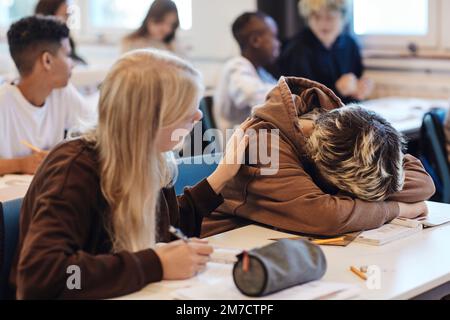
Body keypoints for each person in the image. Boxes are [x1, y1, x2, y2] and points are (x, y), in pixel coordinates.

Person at [9, 49, 249, 300]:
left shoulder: (152, 157)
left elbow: (164, 232)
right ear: (150, 119)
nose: (198, 115)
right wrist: (155, 264)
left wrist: (222, 176)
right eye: (185, 107)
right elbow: (43, 279)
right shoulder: (75, 168)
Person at [209, 76, 435, 237]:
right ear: (321, 166)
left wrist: (356, 204)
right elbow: (324, 215)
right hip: (226, 246)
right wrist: (398, 209)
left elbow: (423, 183)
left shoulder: (346, 127)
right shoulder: (263, 143)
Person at [0, 16, 92, 176]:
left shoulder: (63, 92)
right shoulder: (3, 102)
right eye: (68, 55)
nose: (72, 64)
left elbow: (96, 130)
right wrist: (21, 164)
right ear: (47, 60)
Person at [279, 0, 373, 104]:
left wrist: (360, 89)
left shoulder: (350, 44)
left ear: (343, 17)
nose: (323, 24)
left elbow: (356, 82)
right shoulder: (297, 49)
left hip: (346, 110)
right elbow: (298, 100)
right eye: (316, 17)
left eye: (330, 17)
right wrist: (336, 90)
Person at [213, 12, 281, 138]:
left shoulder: (259, 72)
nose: (278, 43)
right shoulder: (236, 67)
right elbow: (256, 96)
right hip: (237, 150)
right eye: (274, 37)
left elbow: (279, 90)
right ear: (256, 40)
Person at [35, 0, 87, 65]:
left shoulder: (67, 41)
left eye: (69, 16)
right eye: (65, 15)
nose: (68, 21)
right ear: (49, 17)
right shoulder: (40, 47)